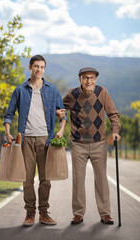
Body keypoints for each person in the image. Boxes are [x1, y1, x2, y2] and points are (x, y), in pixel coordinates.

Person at [4, 55, 67, 226]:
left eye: (42, 67)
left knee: (46, 179)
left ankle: (44, 212)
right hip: (26, 140)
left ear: (44, 69)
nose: (39, 70)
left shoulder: (52, 90)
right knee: (28, 179)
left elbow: (63, 113)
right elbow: (9, 114)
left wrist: (61, 129)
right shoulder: (19, 90)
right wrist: (8, 132)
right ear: (30, 67)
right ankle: (30, 212)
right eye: (36, 66)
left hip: (46, 140)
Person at [57, 67, 121, 225]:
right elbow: (59, 108)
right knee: (78, 180)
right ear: (80, 79)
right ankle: (78, 214)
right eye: (85, 78)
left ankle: (105, 214)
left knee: (101, 180)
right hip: (78, 144)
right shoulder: (72, 94)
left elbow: (113, 114)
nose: (89, 81)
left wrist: (115, 131)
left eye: (92, 78)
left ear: (96, 80)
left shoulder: (102, 92)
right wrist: (58, 113)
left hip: (99, 143)